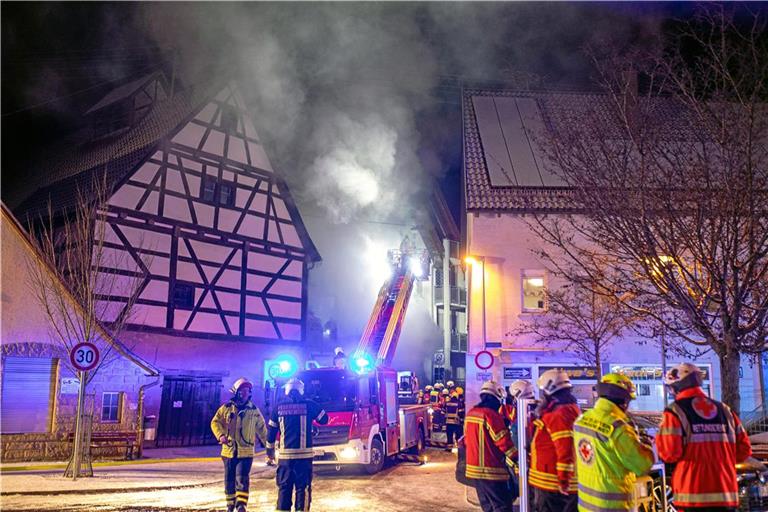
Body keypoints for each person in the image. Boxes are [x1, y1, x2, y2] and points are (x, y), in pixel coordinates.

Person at [656, 363, 752, 512]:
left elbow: (669, 454)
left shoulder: (675, 411)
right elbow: (744, 450)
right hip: (726, 494)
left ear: (676, 387)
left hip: (692, 495)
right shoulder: (725, 410)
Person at [574, 373, 654, 512]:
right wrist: (648, 447)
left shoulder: (582, 420)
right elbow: (642, 465)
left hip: (586, 505)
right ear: (623, 401)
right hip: (612, 507)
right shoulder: (618, 428)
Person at [266, 377, 329, 512]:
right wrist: (314, 403)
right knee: (302, 488)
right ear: (301, 390)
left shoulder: (278, 408)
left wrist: (269, 453)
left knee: (284, 488)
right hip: (304, 458)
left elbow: (271, 433)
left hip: (285, 459)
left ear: (287, 390)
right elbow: (324, 419)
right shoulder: (309, 405)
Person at [210, 377, 270, 512]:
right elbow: (215, 422)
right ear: (236, 392)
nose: (245, 393)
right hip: (228, 452)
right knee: (229, 480)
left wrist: (269, 447)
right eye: (242, 390)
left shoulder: (254, 410)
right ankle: (230, 505)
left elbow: (262, 429)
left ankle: (241, 505)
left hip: (246, 452)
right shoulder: (226, 409)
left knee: (242, 479)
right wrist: (220, 435)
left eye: (247, 391)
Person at [530, 369, 580, 512]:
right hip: (552, 480)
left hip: (551, 482)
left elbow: (565, 447)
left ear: (549, 390)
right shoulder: (568, 410)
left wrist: (563, 479)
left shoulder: (560, 413)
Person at [465, 380, 518, 512]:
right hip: (491, 471)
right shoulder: (491, 415)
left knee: (488, 507)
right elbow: (503, 442)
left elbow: (467, 439)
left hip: (474, 470)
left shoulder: (471, 413)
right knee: (502, 506)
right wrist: (518, 459)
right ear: (497, 397)